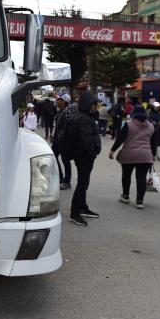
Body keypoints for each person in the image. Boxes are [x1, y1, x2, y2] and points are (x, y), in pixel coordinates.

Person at [109, 105, 155, 209]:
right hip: (145, 155)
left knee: (126, 175)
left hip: (129, 154)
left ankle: (125, 196)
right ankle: (139, 201)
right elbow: (153, 143)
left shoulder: (128, 124)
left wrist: (112, 151)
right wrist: (153, 156)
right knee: (141, 178)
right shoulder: (151, 126)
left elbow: (120, 138)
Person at [68, 92, 101, 226]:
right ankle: (75, 213)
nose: (96, 107)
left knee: (84, 183)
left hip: (82, 156)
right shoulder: (84, 119)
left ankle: (82, 207)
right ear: (88, 104)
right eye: (94, 104)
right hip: (84, 157)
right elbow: (85, 140)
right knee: (82, 184)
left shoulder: (84, 117)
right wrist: (93, 153)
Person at [52, 94, 75, 190]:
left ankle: (67, 181)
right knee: (53, 156)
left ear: (65, 102)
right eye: (58, 100)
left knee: (65, 161)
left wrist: (61, 137)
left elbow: (69, 128)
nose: (58, 101)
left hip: (64, 141)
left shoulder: (67, 112)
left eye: (60, 100)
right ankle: (60, 177)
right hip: (58, 139)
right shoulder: (61, 111)